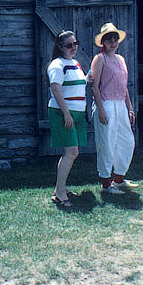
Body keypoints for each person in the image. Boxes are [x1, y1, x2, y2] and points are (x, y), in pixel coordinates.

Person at [90, 22, 137, 194]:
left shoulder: (121, 59)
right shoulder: (100, 59)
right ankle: (105, 184)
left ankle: (119, 179)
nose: (113, 42)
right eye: (108, 39)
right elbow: (94, 86)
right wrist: (101, 109)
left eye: (115, 39)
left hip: (120, 104)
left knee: (127, 141)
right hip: (106, 103)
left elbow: (123, 86)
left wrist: (130, 108)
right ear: (103, 42)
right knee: (107, 143)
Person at [47, 30, 87, 208]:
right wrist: (66, 113)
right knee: (71, 152)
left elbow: (76, 86)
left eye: (75, 44)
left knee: (73, 152)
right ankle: (60, 194)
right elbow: (56, 90)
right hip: (63, 113)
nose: (73, 47)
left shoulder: (75, 63)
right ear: (60, 47)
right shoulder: (57, 64)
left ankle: (60, 189)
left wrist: (89, 79)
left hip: (77, 113)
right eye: (69, 45)